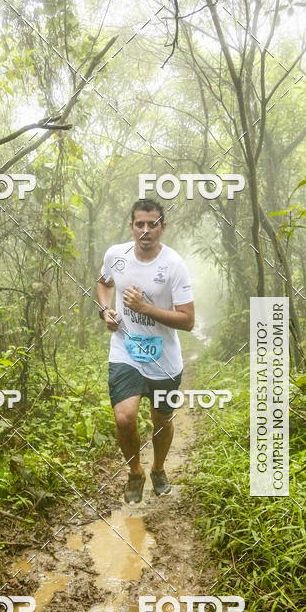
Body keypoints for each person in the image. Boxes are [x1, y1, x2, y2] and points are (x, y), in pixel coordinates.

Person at [96, 198, 195, 504]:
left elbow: (188, 320)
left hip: (163, 358)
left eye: (152, 224)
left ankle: (159, 468)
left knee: (161, 420)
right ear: (131, 226)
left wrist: (144, 308)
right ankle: (135, 472)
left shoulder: (174, 265)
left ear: (162, 227)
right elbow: (103, 283)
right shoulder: (116, 255)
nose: (145, 230)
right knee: (125, 418)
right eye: (139, 223)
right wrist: (106, 311)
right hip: (125, 351)